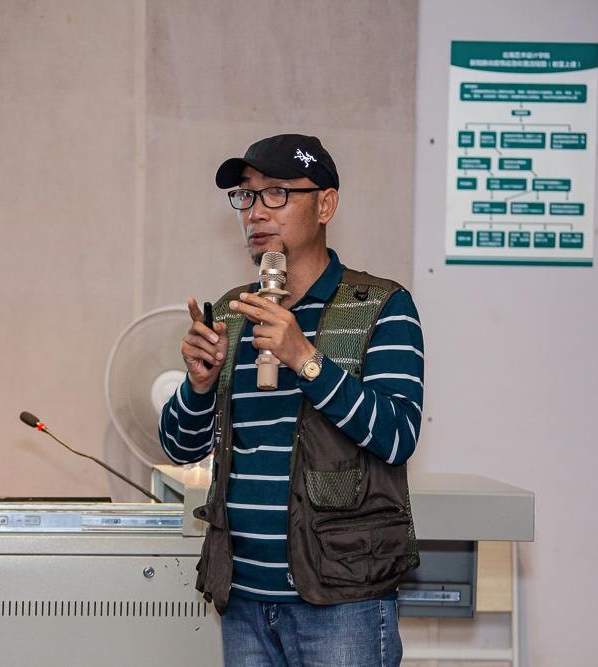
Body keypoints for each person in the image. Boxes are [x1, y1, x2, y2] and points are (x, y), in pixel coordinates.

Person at [159, 134, 424, 666]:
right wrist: (199, 386)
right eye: (246, 195)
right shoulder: (234, 312)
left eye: (277, 193)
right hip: (243, 597)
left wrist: (305, 359)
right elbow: (181, 448)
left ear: (325, 205)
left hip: (342, 598)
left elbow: (398, 436)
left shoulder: (381, 306)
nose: (256, 211)